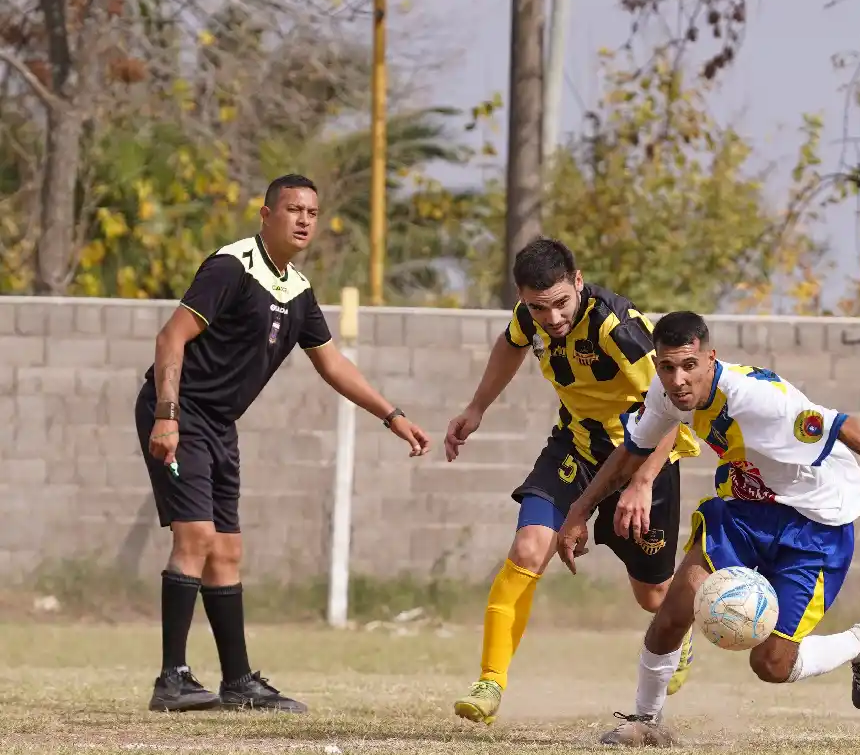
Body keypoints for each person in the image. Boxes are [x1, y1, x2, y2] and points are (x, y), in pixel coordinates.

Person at [556, 311, 860, 747]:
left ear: (710, 359)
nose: (678, 380)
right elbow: (631, 451)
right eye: (667, 367)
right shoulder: (667, 395)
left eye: (689, 365)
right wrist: (578, 511)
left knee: (772, 665)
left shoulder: (758, 400)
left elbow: (843, 425)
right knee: (675, 609)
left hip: (816, 524)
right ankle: (646, 720)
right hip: (746, 512)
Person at [136, 173, 432, 714]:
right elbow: (170, 336)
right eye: (293, 209)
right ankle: (171, 678)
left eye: (312, 213)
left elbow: (333, 364)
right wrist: (166, 414)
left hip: (220, 424)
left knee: (228, 550)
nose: (303, 220)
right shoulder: (232, 267)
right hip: (180, 413)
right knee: (196, 536)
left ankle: (237, 681)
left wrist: (391, 415)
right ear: (266, 214)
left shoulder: (296, 290)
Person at [444, 237, 702, 725]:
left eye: (561, 303)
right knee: (527, 549)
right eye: (538, 308)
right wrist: (476, 408)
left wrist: (643, 481)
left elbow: (671, 403)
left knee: (652, 595)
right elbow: (510, 345)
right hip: (577, 447)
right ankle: (490, 682)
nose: (553, 317)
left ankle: (680, 627)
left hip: (640, 455)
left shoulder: (618, 329)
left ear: (578, 281)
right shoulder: (529, 317)